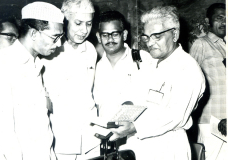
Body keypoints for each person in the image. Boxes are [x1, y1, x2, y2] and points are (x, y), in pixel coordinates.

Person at [107, 6, 205, 160]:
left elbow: (175, 116)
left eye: (157, 36)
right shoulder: (150, 63)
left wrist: (134, 127)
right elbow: (135, 95)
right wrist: (124, 109)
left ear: (175, 34)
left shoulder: (188, 69)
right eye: (146, 37)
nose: (150, 43)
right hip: (139, 147)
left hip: (168, 148)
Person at [0, 2, 64, 160]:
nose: (59, 44)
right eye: (55, 37)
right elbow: (1, 135)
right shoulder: (1, 64)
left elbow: (43, 129)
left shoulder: (35, 64)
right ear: (34, 34)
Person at [41, 0, 98, 159]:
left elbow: (89, 91)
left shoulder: (91, 50)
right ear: (65, 21)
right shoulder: (50, 49)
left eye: (88, 23)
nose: (84, 30)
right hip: (60, 134)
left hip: (88, 135)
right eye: (78, 23)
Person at [93, 10, 149, 119]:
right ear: (99, 37)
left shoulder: (142, 59)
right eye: (105, 35)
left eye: (115, 34)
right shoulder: (96, 67)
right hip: (106, 132)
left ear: (124, 35)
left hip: (134, 134)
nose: (110, 39)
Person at [189, 3, 227, 160]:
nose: (224, 22)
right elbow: (190, 81)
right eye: (219, 18)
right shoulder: (201, 44)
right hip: (212, 123)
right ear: (207, 21)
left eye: (227, 18)